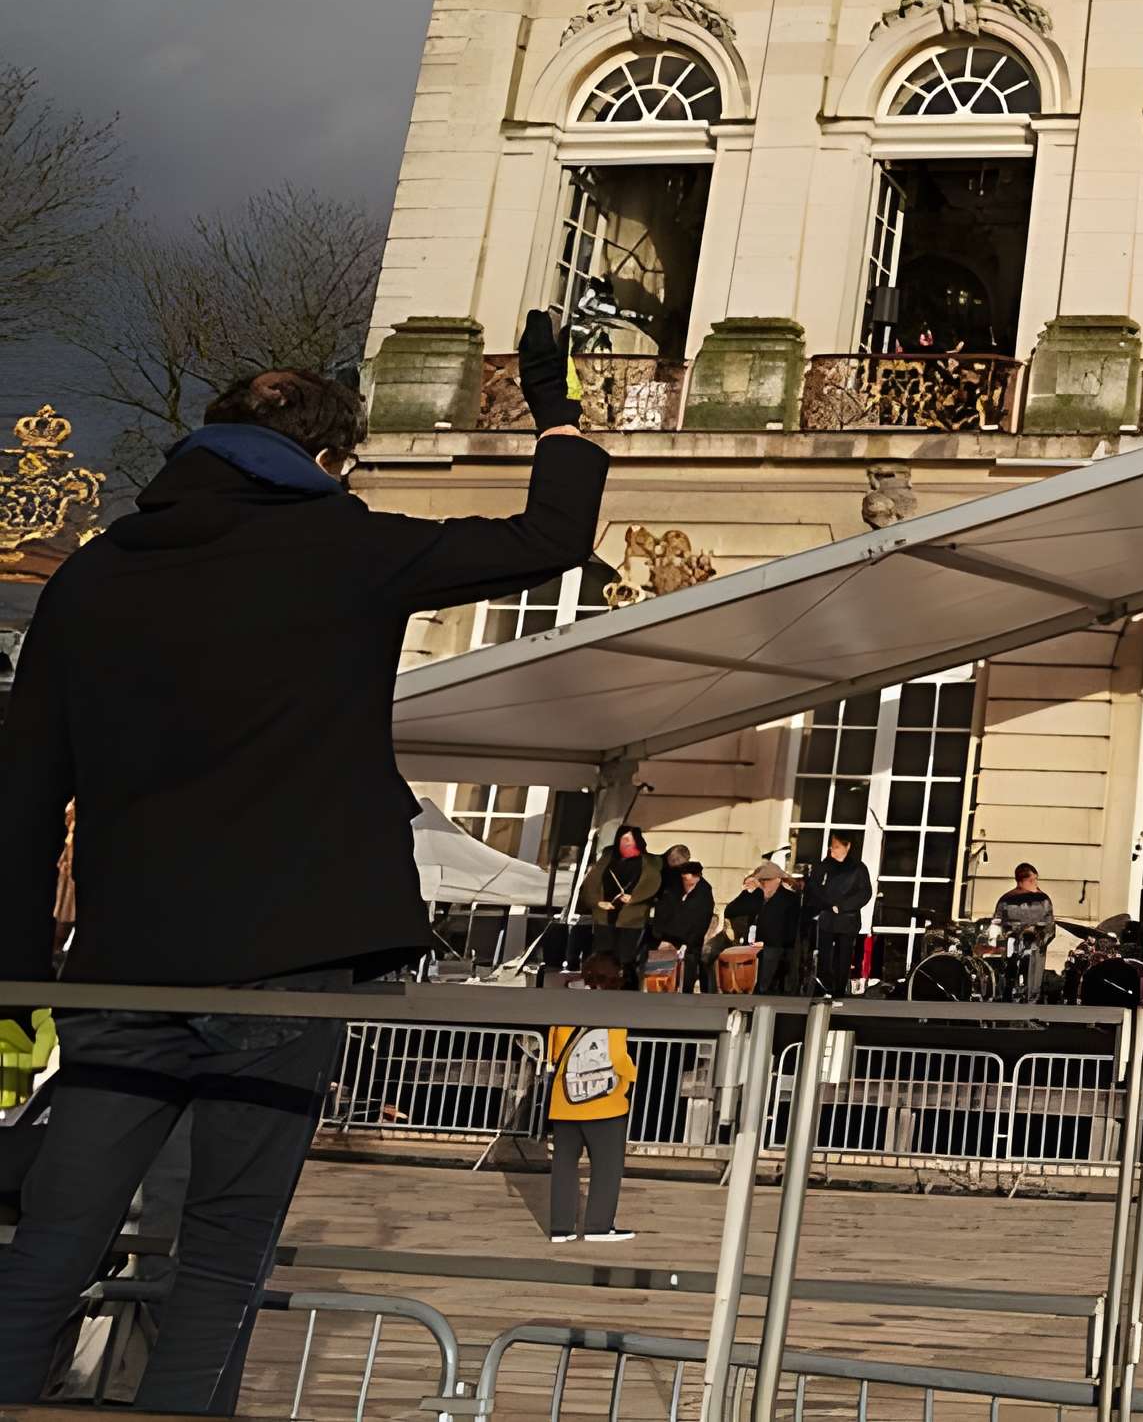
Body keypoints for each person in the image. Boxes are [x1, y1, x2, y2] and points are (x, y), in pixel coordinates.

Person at [0, 328, 607, 1416]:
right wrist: (555, 411)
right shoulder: (349, 546)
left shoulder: (92, 572)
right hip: (289, 955)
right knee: (223, 1252)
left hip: (124, 962)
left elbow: (24, 792)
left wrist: (17, 975)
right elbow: (551, 534)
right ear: (330, 462)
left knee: (52, 1239)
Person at [546, 954, 639, 1245]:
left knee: (563, 1165)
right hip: (603, 1102)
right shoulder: (613, 1008)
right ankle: (599, 1226)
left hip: (564, 1100)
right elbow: (616, 1056)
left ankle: (561, 1228)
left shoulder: (564, 1003)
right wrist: (630, 1077)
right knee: (606, 1167)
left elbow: (552, 1052)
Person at [583, 827, 663, 970]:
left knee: (625, 959)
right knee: (603, 959)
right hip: (605, 917)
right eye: (623, 839)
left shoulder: (649, 862)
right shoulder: (608, 857)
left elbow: (652, 883)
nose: (626, 842)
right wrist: (598, 902)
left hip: (631, 920)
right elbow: (592, 882)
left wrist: (634, 898)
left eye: (629, 839)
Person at [803, 832, 871, 998]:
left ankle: (839, 989)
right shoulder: (824, 866)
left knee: (843, 956)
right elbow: (813, 888)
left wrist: (842, 907)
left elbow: (865, 893)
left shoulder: (858, 868)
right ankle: (825, 985)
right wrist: (828, 905)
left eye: (837, 847)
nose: (833, 850)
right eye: (832, 847)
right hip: (827, 918)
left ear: (847, 847)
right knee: (825, 955)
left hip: (847, 919)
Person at [725, 863, 803, 995]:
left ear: (777, 879)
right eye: (761, 880)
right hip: (753, 945)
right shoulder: (756, 895)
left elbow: (791, 928)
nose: (763, 883)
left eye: (766, 880)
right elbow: (731, 911)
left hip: (775, 946)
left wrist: (775, 945)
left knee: (767, 971)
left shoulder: (790, 898)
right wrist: (746, 893)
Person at [649, 852, 715, 993]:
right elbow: (663, 910)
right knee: (659, 976)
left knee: (686, 975)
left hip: (689, 942)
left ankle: (685, 996)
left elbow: (701, 922)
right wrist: (661, 935)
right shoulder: (674, 888)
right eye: (683, 877)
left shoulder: (704, 893)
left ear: (697, 876)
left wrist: (687, 942)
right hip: (667, 938)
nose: (685, 880)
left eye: (688, 877)